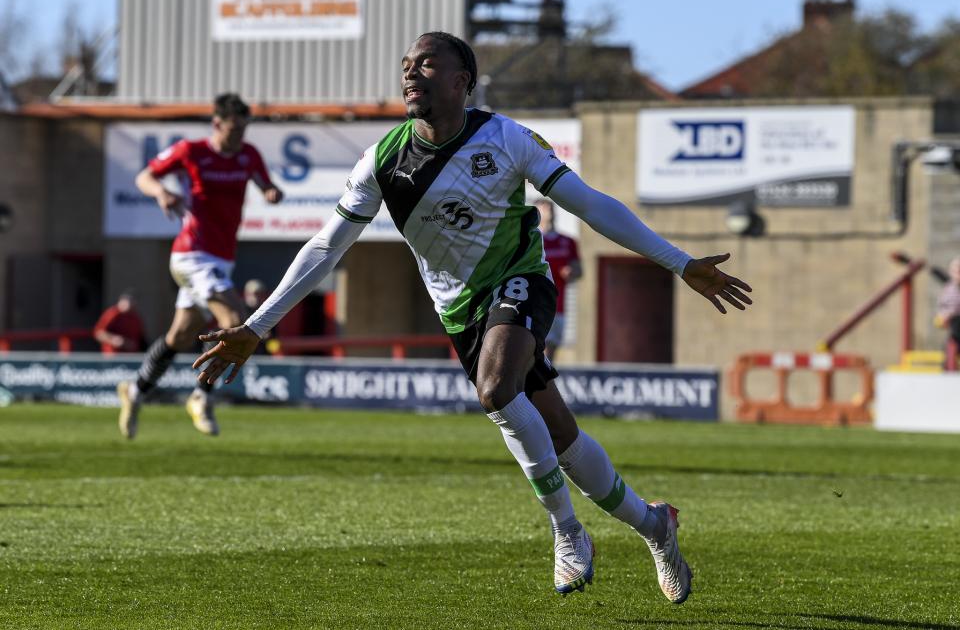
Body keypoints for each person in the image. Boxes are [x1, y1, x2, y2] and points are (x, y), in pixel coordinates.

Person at [193, 33, 752, 601]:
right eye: (407, 65)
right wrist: (257, 326)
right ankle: (655, 524)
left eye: (428, 64)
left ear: (463, 81)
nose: (412, 73)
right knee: (560, 437)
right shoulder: (382, 160)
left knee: (495, 389)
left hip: (520, 281)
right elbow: (324, 248)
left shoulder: (505, 138)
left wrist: (679, 263)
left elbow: (588, 204)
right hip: (459, 313)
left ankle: (567, 531)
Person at [116, 93, 283, 439]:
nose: (239, 137)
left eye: (244, 130)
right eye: (233, 130)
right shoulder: (191, 151)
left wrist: (271, 192)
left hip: (222, 257)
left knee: (179, 336)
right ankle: (201, 396)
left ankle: (135, 391)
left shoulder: (248, 155)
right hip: (191, 254)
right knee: (235, 321)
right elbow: (144, 177)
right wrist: (161, 193)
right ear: (217, 124)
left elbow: (266, 184)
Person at [535, 198, 582, 360]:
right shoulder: (532, 240)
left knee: (551, 352)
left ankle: (542, 383)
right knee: (537, 348)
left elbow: (579, 270)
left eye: (551, 208)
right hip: (536, 303)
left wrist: (572, 272)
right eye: (544, 208)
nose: (549, 211)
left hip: (558, 305)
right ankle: (534, 383)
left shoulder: (568, 242)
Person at [935, 257, 960, 368]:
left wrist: (950, 313)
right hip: (954, 324)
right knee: (950, 344)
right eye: (955, 271)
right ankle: (947, 365)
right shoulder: (949, 288)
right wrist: (943, 314)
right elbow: (943, 303)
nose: (958, 274)